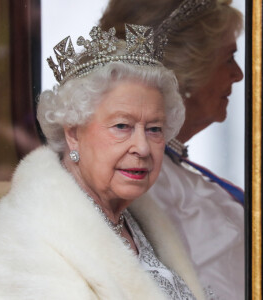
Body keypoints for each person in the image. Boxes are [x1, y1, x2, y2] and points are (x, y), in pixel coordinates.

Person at [0, 24, 207, 299]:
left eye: (154, 129)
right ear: (73, 133)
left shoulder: (135, 217)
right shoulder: (27, 239)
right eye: (122, 126)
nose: (142, 147)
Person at [99, 0, 244, 299]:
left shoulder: (171, 171)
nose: (238, 74)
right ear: (189, 68)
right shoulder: (147, 182)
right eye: (229, 58)